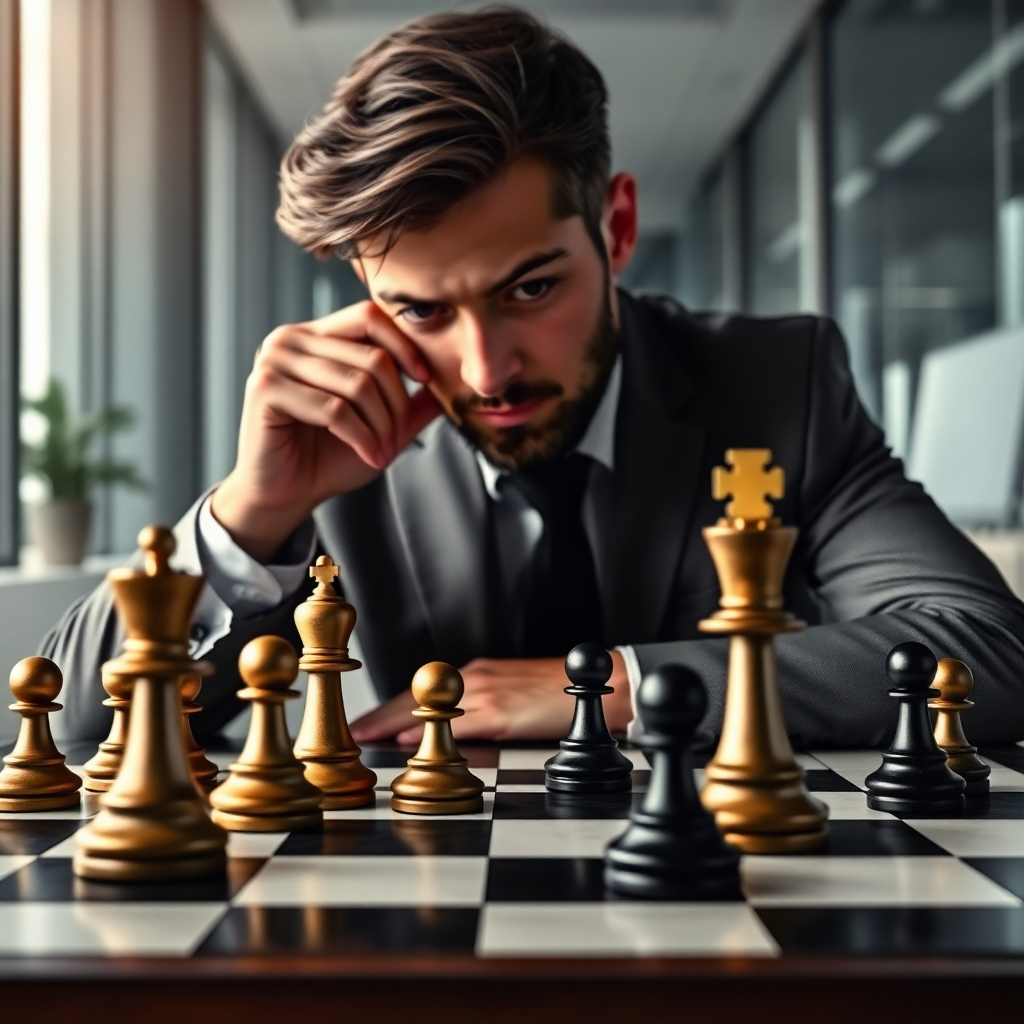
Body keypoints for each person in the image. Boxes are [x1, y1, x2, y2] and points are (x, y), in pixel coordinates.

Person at [44, 8, 1024, 749]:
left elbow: (987, 652)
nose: (484, 368)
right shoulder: (334, 420)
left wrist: (598, 684)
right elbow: (73, 726)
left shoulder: (775, 384)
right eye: (421, 309)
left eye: (530, 287)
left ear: (618, 229)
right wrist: (250, 516)